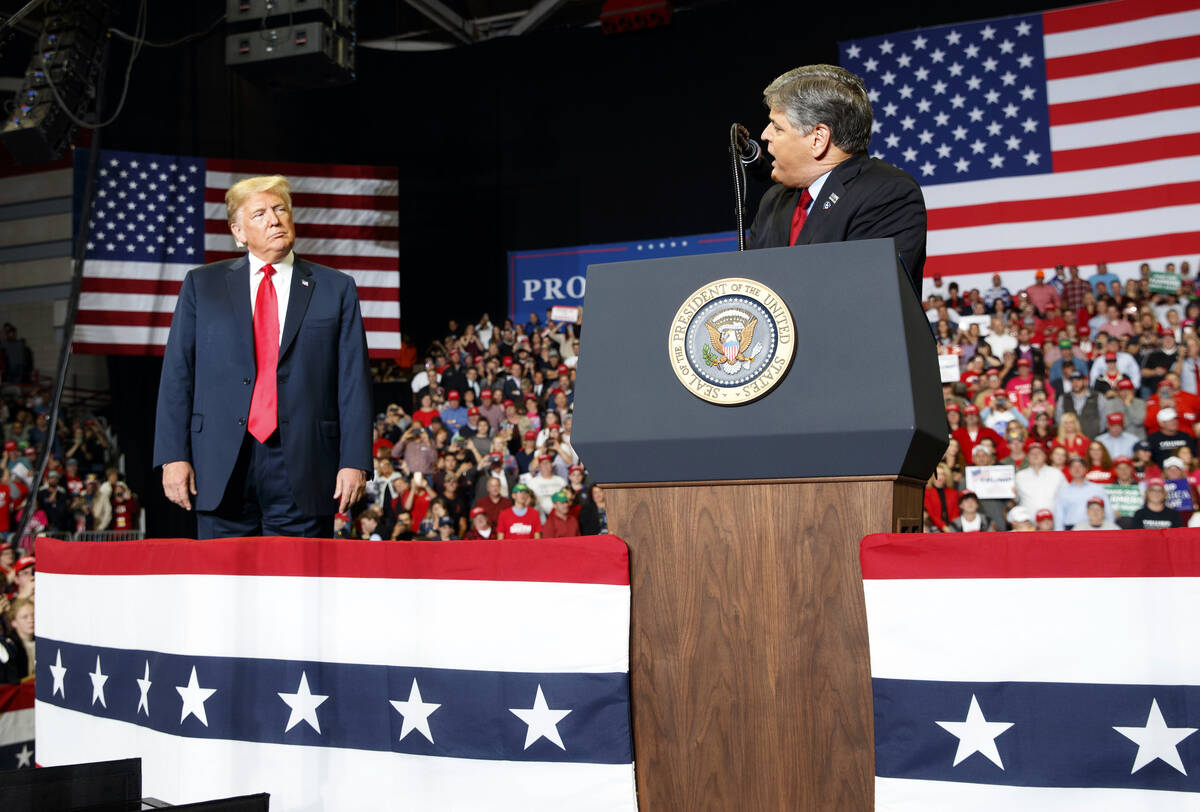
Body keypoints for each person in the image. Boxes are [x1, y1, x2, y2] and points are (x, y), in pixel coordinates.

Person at [154, 175, 371, 538]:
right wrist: (173, 455)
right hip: (221, 463)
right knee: (224, 586)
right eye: (259, 214)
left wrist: (354, 461)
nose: (273, 219)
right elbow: (178, 374)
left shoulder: (336, 288)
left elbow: (353, 383)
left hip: (305, 463)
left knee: (295, 587)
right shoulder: (201, 285)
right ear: (238, 232)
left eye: (280, 209)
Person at [745, 64, 926, 288]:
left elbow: (866, 295)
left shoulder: (889, 193)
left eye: (777, 127)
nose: (765, 135)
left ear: (818, 139)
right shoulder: (773, 200)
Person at [1053, 456, 1113, 530]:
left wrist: (1111, 530)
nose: (1077, 469)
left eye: (1080, 466)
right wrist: (1059, 535)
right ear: (1069, 470)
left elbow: (1108, 511)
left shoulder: (1097, 488)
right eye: (1073, 466)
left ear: (1086, 469)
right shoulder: (1063, 491)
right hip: (1071, 529)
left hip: (1093, 528)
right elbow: (1059, 516)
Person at [0, 597, 33, 683]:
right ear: (13, 622)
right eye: (24, 617)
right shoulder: (9, 646)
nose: (31, 620)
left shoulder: (44, 643)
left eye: (33, 615)